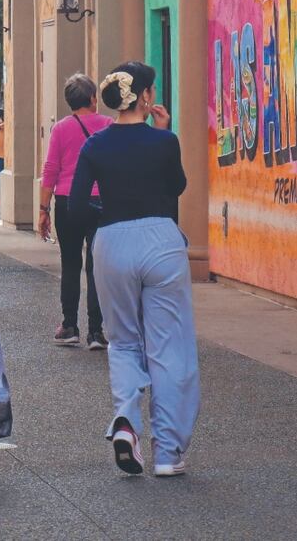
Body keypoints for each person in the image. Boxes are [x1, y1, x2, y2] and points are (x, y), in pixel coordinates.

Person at [69, 61, 198, 478]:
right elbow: (176, 186)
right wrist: (163, 134)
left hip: (113, 242)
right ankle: (168, 453)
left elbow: (74, 208)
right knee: (168, 346)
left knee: (123, 341)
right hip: (161, 241)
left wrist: (110, 214)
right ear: (144, 97)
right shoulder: (165, 142)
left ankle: (126, 420)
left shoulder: (95, 146)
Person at [39, 74, 113, 349]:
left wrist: (43, 209)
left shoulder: (60, 129)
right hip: (100, 201)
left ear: (69, 101)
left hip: (67, 200)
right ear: (93, 98)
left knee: (71, 263)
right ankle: (96, 331)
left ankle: (69, 325)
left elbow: (51, 170)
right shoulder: (108, 125)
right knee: (97, 268)